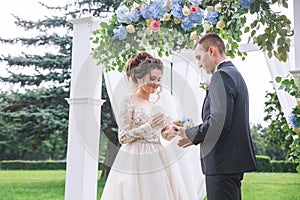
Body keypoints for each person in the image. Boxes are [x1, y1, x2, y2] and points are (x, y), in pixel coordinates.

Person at [101, 52, 206, 200]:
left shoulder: (158, 103)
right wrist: (149, 126)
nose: (156, 83)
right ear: (139, 77)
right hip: (134, 158)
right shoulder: (128, 102)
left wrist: (173, 131)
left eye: (158, 79)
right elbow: (123, 137)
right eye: (152, 78)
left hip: (158, 155)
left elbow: (163, 133)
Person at [175, 33, 257, 200]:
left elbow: (219, 122)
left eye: (199, 58)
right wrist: (197, 138)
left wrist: (188, 132)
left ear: (211, 51)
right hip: (229, 163)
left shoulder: (222, 76)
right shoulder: (234, 74)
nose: (198, 64)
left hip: (222, 164)